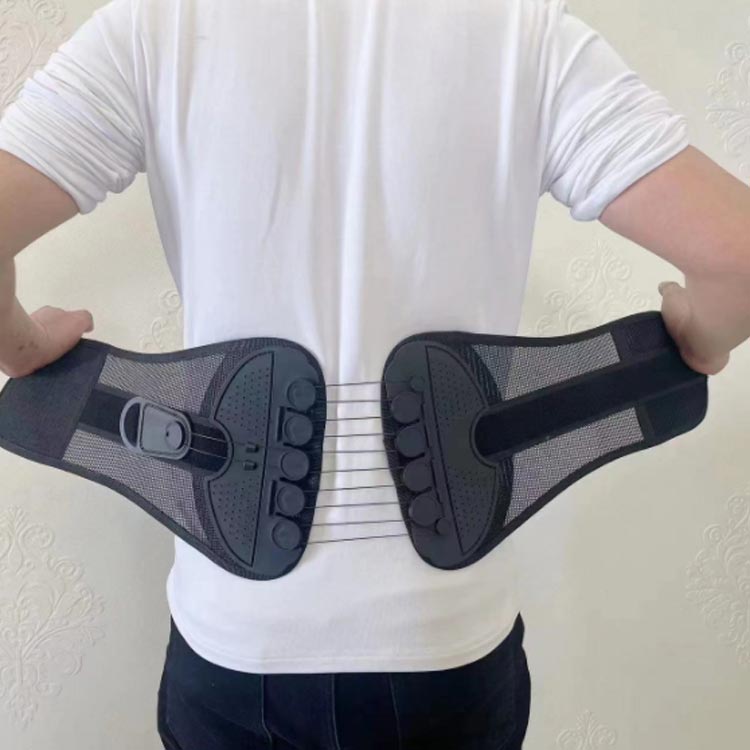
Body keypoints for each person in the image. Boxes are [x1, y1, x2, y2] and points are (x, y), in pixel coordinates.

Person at [0, 1, 746, 748]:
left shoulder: (155, 27)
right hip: (445, 645)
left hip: (238, 636)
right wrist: (699, 340)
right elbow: (738, 258)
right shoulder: (523, 33)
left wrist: (23, 349)